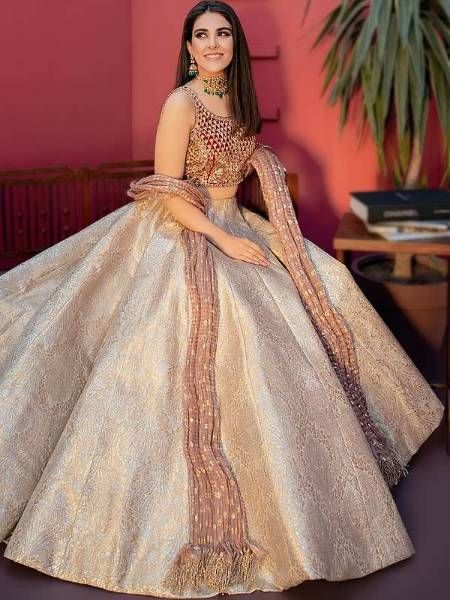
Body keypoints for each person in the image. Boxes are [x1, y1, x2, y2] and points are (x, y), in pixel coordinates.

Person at [0, 1, 444, 598]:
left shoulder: (237, 100)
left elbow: (238, 166)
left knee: (327, 286)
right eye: (201, 35)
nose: (212, 44)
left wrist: (252, 200)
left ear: (234, 44)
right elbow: (166, 191)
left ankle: (311, 492)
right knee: (224, 329)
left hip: (235, 221)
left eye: (222, 34)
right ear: (187, 47)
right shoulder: (179, 104)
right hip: (187, 229)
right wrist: (222, 239)